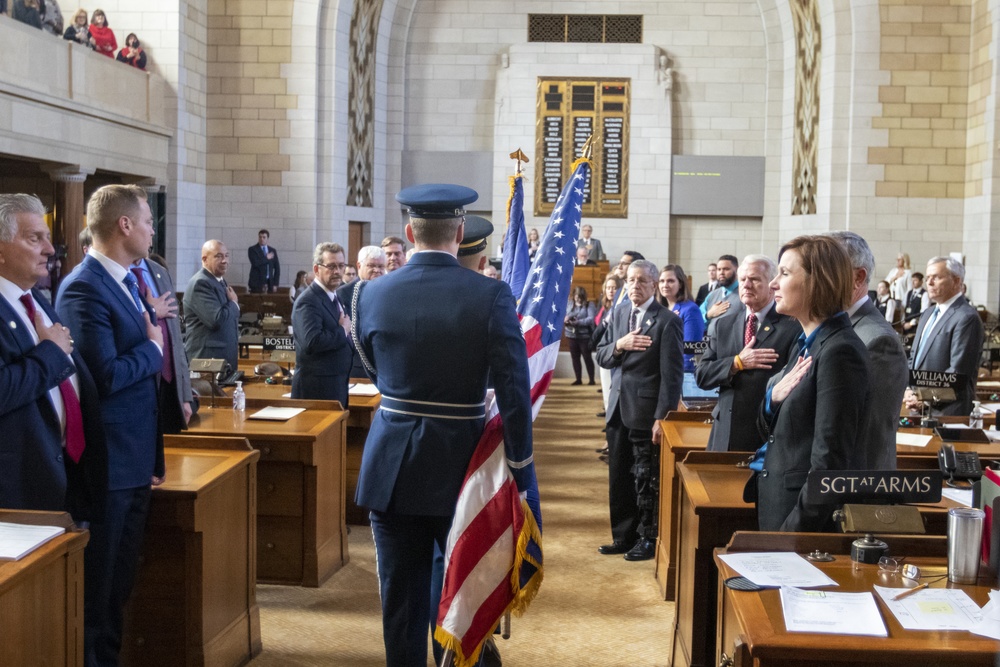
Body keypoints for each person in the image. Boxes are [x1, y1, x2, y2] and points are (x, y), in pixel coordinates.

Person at [353, 184, 533, 666]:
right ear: (459, 232)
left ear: (410, 232)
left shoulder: (368, 294)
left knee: (400, 602)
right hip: (463, 467)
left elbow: (375, 370)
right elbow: (514, 394)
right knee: (464, 593)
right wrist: (522, 474)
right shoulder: (492, 295)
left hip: (390, 465)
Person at [56, 184, 165, 667]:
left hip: (134, 460)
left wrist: (153, 460)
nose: (151, 229)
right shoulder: (83, 286)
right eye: (146, 221)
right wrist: (152, 348)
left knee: (120, 586)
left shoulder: (125, 281)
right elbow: (104, 377)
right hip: (109, 465)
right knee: (97, 593)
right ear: (124, 225)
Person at [745, 235, 871, 532]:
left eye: (785, 274)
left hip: (799, 519)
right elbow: (775, 432)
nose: (773, 283)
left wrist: (793, 532)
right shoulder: (804, 343)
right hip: (778, 498)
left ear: (819, 281)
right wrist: (771, 399)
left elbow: (830, 464)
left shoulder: (840, 351)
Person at [0, 193, 106, 521]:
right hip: (20, 486)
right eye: (35, 238)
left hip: (69, 472)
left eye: (47, 237)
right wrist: (51, 352)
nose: (50, 249)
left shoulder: (36, 299)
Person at [595, 259, 684, 561]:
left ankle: (647, 537)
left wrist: (663, 416)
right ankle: (623, 536)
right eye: (630, 280)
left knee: (645, 477)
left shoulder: (666, 320)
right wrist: (620, 344)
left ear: (654, 284)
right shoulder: (619, 313)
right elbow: (603, 356)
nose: (634, 285)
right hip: (618, 407)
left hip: (646, 411)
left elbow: (672, 377)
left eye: (642, 281)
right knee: (619, 476)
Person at [696, 255, 800, 452]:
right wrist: (736, 363)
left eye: (754, 279)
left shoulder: (792, 327)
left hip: (765, 435)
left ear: (772, 284)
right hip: (724, 434)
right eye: (743, 279)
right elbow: (702, 376)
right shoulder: (723, 325)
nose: (746, 285)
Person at [828, 230, 909, 470]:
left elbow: (871, 437)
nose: (815, 278)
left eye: (827, 268)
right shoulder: (832, 324)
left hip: (855, 489)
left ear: (858, 278)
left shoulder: (878, 340)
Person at [903, 256, 984, 416]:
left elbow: (957, 373)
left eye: (936, 277)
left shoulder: (966, 317)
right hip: (918, 408)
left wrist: (924, 398)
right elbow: (914, 357)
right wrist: (908, 389)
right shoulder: (927, 314)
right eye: (928, 278)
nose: (929, 283)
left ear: (956, 281)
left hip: (947, 413)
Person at [131, 255, 193, 433]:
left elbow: (176, 338)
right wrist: (151, 312)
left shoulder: (159, 271)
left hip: (170, 385)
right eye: (147, 224)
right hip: (142, 381)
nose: (152, 231)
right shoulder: (119, 274)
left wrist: (185, 394)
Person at [291, 243, 352, 405]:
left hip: (335, 384)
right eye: (331, 266)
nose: (337, 271)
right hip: (316, 389)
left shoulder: (334, 295)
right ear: (317, 269)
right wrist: (343, 330)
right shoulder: (308, 301)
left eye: (341, 266)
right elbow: (312, 341)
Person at [182, 240, 240, 374]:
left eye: (227, 255)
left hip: (222, 359)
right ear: (204, 259)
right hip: (207, 361)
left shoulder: (218, 280)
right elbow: (216, 320)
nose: (225, 260)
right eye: (219, 256)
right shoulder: (201, 283)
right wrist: (234, 303)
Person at [336, 245, 387, 379]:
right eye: (371, 265)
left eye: (381, 266)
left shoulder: (391, 290)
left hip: (386, 364)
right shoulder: (343, 293)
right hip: (357, 366)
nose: (377, 270)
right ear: (359, 266)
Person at [656, 264, 705, 372]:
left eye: (670, 281)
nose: (665, 285)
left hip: (680, 373)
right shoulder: (659, 309)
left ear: (681, 284)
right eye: (662, 281)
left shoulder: (690, 310)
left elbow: (689, 350)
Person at [593, 273, 622, 418]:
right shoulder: (605, 306)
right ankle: (607, 411)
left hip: (613, 351)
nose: (611, 291)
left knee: (611, 386)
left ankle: (611, 415)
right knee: (605, 386)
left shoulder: (618, 308)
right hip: (603, 350)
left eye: (614, 288)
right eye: (608, 287)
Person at [700, 254, 740, 336]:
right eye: (719, 269)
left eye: (726, 269)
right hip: (711, 344)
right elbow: (696, 320)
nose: (721, 273)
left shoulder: (744, 293)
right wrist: (709, 315)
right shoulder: (712, 295)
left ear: (737, 270)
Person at [565, 286, 597, 385]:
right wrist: (567, 319)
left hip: (584, 336)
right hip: (571, 335)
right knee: (575, 358)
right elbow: (566, 314)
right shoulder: (570, 304)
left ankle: (591, 379)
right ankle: (578, 379)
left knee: (587, 357)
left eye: (579, 296)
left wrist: (578, 322)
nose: (577, 298)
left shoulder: (589, 305)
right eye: (576, 296)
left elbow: (591, 319)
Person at [247, 229, 280, 293]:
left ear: (267, 239)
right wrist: (267, 258)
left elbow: (277, 268)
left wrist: (275, 284)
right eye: (260, 237)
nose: (262, 239)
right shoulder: (252, 249)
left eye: (264, 237)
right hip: (256, 283)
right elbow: (255, 263)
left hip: (270, 282)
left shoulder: (272, 250)